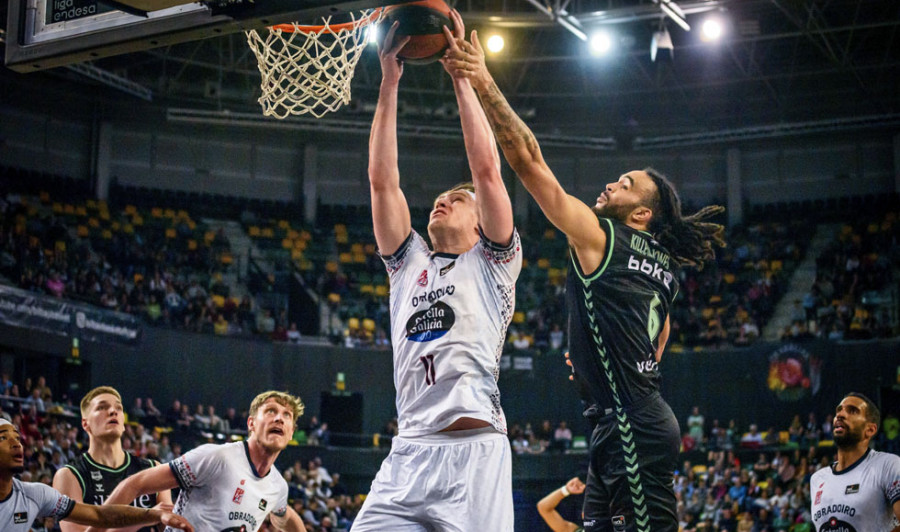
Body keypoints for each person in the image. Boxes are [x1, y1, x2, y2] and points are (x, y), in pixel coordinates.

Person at [442, 26, 726, 532]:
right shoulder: (664, 268)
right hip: (628, 417)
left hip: (629, 423)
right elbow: (659, 338)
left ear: (640, 214)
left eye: (626, 185)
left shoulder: (604, 238)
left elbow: (528, 160)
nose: (612, 184)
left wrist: (482, 78)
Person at [351, 12, 520, 531]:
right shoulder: (407, 264)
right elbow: (383, 183)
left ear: (479, 221)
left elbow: (485, 169)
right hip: (409, 452)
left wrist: (461, 79)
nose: (442, 202)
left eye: (455, 199)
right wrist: (389, 84)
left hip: (474, 453)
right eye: (440, 199)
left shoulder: (494, 261)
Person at [93, 391, 308, 532]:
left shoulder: (277, 487)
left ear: (291, 433)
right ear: (251, 423)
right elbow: (136, 484)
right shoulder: (218, 457)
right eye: (271, 411)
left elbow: (284, 516)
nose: (279, 418)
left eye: (287, 415)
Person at [0, 419, 193, 532]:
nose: (17, 444)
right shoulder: (70, 473)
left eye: (17, 437)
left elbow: (99, 514)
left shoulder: (35, 494)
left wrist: (156, 514)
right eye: (3, 437)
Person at [52, 386, 172, 532]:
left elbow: (171, 526)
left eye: (119, 408)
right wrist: (144, 517)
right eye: (102, 407)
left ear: (123, 424)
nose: (113, 411)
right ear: (85, 424)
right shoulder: (69, 476)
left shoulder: (153, 468)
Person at [809, 392, 900, 531]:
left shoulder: (888, 465)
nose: (840, 415)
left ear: (870, 429)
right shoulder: (817, 479)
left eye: (852, 411)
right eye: (839, 410)